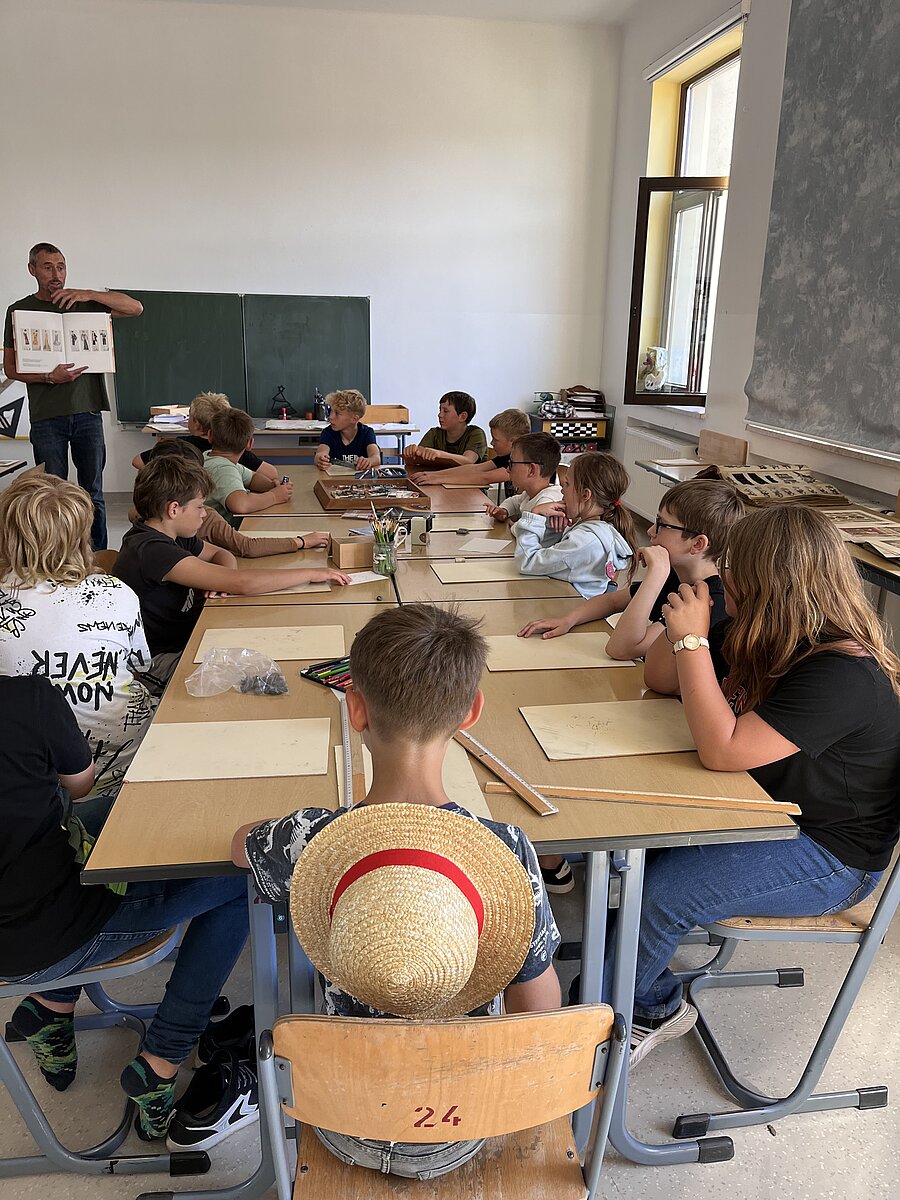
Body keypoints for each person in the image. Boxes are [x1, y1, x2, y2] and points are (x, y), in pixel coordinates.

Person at [233, 605, 560, 1180]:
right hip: (467, 1122)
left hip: (341, 1116)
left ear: (355, 709)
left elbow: (241, 845)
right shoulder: (506, 851)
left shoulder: (312, 838)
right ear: (472, 712)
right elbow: (538, 1011)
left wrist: (275, 828)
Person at [617, 506, 900, 1067]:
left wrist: (693, 643)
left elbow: (722, 750)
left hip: (831, 854)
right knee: (637, 851)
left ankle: (644, 1007)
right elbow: (659, 680)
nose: (723, 577)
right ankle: (625, 978)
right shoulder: (761, 631)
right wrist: (682, 625)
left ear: (767, 582)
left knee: (663, 893)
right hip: (765, 809)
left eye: (733, 569)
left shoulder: (841, 673)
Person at [0, 674, 249, 1144]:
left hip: (23, 916)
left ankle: (51, 1005)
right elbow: (80, 784)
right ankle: (162, 1059)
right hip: (49, 932)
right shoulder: (25, 698)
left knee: (129, 810)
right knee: (241, 876)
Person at [114, 456, 349, 689]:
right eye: (199, 506)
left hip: (189, 637)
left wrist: (223, 580)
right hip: (159, 662)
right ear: (173, 509)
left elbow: (221, 554)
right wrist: (310, 573)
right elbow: (244, 583)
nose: (204, 514)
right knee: (267, 678)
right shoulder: (152, 550)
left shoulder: (172, 535)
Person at [0, 473, 156, 809]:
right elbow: (137, 669)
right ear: (82, 533)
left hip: (37, 781)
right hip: (130, 761)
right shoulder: (116, 592)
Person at [2, 243, 143, 550]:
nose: (56, 274)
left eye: (61, 267)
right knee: (51, 495)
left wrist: (88, 294)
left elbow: (135, 308)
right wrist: (48, 377)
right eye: (47, 267)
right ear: (32, 270)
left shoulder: (85, 304)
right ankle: (59, 557)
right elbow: (11, 368)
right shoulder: (19, 310)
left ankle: (98, 558)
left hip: (87, 412)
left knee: (93, 492)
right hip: (46, 416)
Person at [518, 478, 744, 651]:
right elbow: (612, 601)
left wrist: (656, 574)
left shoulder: (707, 601)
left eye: (662, 525)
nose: (650, 531)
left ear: (697, 544)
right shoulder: (677, 575)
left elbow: (623, 648)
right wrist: (569, 620)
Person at [141, 439, 330, 557]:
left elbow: (226, 557)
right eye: (199, 506)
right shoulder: (205, 519)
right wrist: (301, 541)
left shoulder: (146, 517)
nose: (202, 511)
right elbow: (246, 548)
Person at [512, 452, 636, 600]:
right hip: (564, 599)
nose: (562, 490)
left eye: (567, 484)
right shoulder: (595, 527)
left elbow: (527, 562)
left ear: (585, 495)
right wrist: (553, 528)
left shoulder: (585, 541)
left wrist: (534, 516)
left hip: (569, 606)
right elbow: (548, 557)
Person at [132, 391, 278, 482]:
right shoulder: (232, 447)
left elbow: (137, 461)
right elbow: (271, 473)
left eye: (190, 416)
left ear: (196, 424)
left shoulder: (180, 446)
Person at [203, 408, 292, 525]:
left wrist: (272, 485)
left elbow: (252, 478)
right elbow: (241, 505)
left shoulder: (211, 458)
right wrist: (274, 496)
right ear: (250, 444)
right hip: (221, 533)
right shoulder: (223, 469)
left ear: (209, 435)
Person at [408, 407, 531, 489]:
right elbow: (475, 468)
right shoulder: (506, 457)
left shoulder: (524, 461)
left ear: (513, 441)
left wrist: (438, 479)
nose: (492, 443)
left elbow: (485, 477)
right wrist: (432, 474)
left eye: (496, 440)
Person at [483, 432, 562, 525]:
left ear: (531, 470)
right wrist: (504, 511)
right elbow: (514, 502)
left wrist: (512, 525)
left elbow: (525, 530)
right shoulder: (531, 493)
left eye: (511, 463)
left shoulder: (547, 501)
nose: (508, 469)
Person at [403, 391, 487, 470]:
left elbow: (468, 461)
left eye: (445, 411)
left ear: (462, 417)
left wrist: (439, 454)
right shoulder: (434, 433)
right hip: (439, 478)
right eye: (440, 410)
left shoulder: (476, 433)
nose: (440, 415)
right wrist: (411, 453)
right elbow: (418, 459)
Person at [314, 388, 381, 471]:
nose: (330, 417)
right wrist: (320, 459)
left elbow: (376, 457)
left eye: (337, 413)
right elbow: (320, 453)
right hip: (334, 478)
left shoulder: (367, 433)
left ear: (354, 419)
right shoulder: (328, 433)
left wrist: (369, 461)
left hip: (359, 478)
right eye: (331, 411)